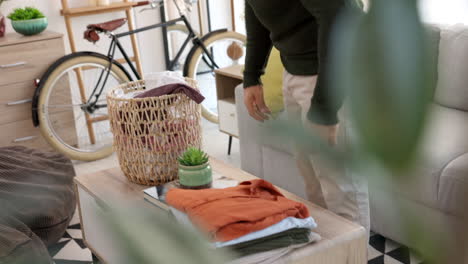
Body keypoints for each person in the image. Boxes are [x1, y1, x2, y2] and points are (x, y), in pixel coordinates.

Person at [242, 0, 370, 234]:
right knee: (312, 179)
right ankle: (332, 251)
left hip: (332, 74)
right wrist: (251, 75)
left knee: (340, 184)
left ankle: (354, 255)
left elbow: (340, 14)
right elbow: (254, 7)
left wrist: (325, 108)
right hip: (294, 68)